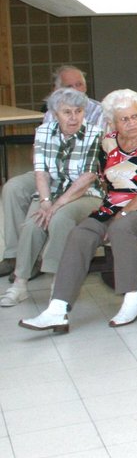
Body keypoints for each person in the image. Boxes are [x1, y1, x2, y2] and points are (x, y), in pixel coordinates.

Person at [19, 89, 137, 333]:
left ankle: (133, 300)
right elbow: (95, 175)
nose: (132, 123)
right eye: (125, 119)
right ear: (112, 121)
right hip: (111, 206)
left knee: (121, 229)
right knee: (81, 233)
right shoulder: (108, 141)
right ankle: (57, 309)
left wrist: (122, 214)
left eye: (135, 116)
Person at [0, 88, 103, 307]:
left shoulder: (93, 134)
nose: (73, 117)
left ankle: (59, 285)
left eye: (78, 111)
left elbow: (87, 177)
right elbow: (41, 172)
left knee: (60, 219)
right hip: (52, 191)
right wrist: (46, 202)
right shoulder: (44, 132)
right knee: (33, 222)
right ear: (55, 114)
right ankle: (20, 284)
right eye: (67, 112)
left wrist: (56, 206)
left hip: (86, 194)